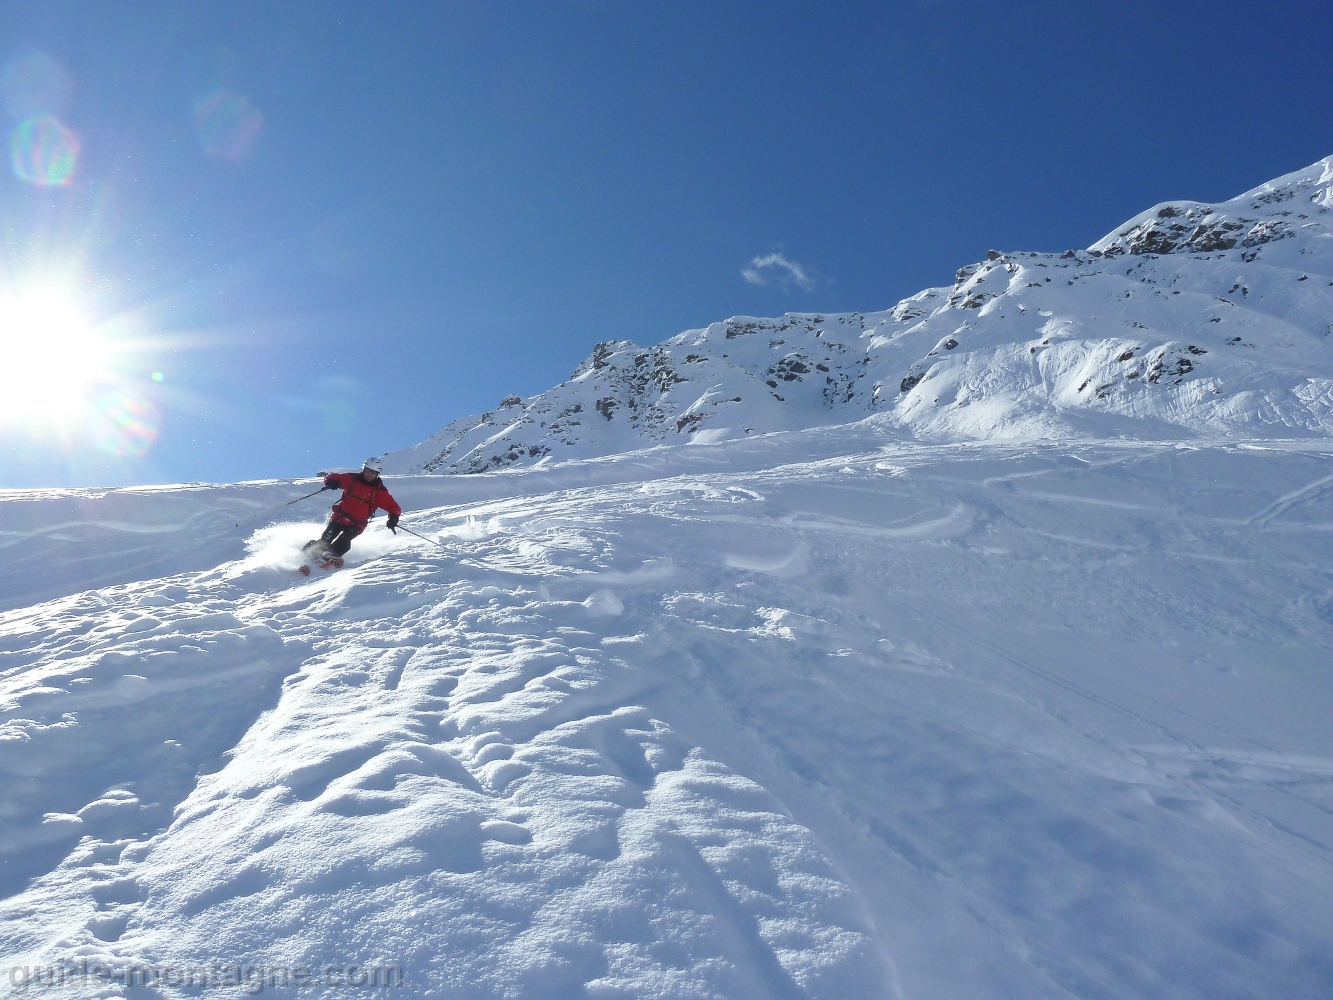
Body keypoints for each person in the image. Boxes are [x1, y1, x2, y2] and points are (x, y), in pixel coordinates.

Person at [307, 457, 401, 559]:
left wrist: (393, 518)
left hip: (357, 524)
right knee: (327, 538)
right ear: (364, 469)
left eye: (373, 472)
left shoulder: (379, 492)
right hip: (340, 517)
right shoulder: (352, 479)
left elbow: (393, 507)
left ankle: (330, 557)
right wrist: (331, 482)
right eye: (368, 470)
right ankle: (309, 554)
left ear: (377, 474)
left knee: (345, 541)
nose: (369, 474)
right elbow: (331, 477)